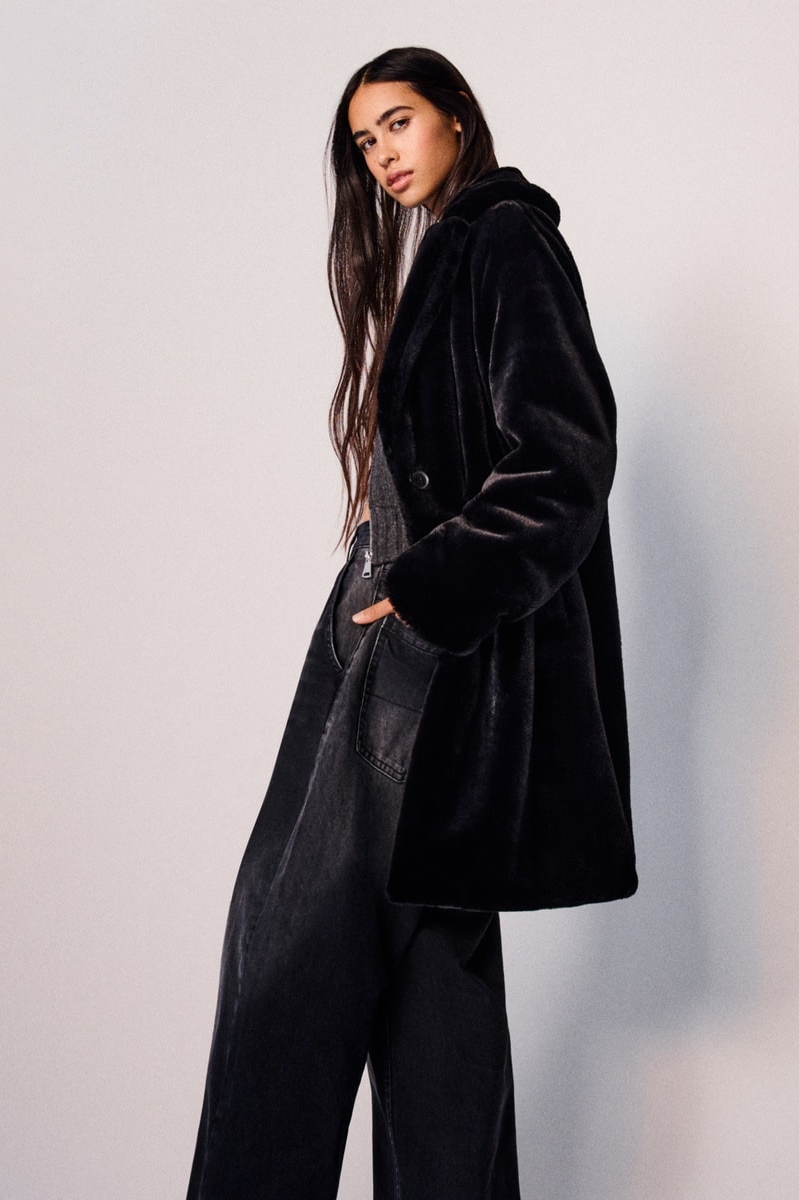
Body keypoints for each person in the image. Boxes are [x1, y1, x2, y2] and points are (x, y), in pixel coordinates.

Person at [187, 45, 637, 1200]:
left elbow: (565, 459)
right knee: (438, 980)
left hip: (422, 646)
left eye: (397, 122)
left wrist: (429, 583)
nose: (382, 154)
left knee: (289, 948)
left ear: (455, 118)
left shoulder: (503, 239)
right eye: (363, 140)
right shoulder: (448, 251)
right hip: (398, 629)